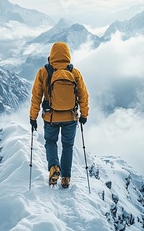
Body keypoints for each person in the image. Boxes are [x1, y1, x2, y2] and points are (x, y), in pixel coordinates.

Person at [29, 42, 89, 188]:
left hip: (51, 117)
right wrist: (84, 114)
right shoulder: (74, 73)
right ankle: (66, 178)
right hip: (71, 116)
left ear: (52, 55)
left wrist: (33, 117)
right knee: (68, 145)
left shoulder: (43, 72)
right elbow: (83, 95)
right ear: (67, 55)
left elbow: (36, 96)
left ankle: (54, 168)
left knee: (50, 142)